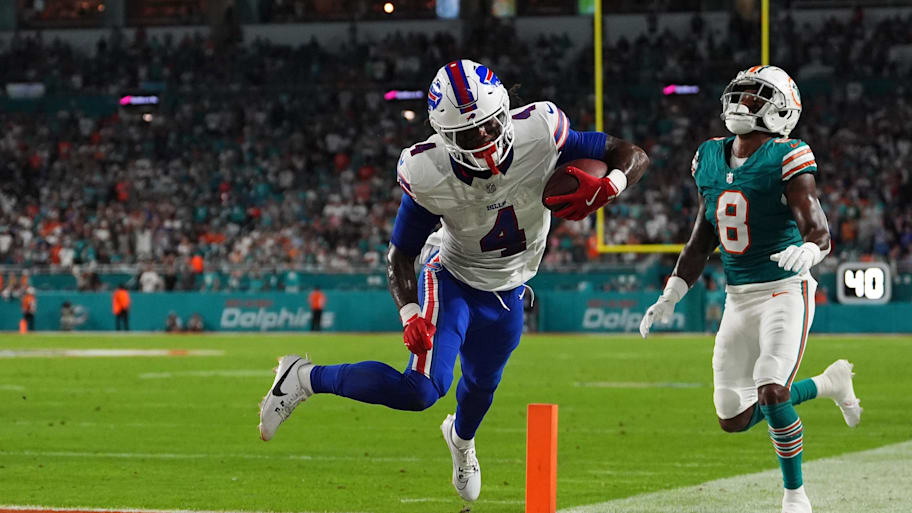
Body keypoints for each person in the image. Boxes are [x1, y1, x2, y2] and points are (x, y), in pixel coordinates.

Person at [257, 60, 649, 501]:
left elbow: (630, 153)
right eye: (468, 134)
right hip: (453, 278)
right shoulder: (430, 172)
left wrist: (613, 184)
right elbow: (400, 254)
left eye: (489, 125)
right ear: (445, 137)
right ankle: (305, 377)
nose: (483, 139)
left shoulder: (540, 131)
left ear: (504, 112)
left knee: (482, 387)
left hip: (510, 289)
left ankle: (461, 443)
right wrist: (408, 313)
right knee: (421, 389)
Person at [639, 65, 862, 513]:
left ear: (782, 110)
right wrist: (672, 292)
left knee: (772, 390)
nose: (742, 102)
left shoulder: (788, 154)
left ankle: (795, 494)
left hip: (785, 290)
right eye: (739, 92)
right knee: (733, 417)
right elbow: (703, 237)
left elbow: (817, 228)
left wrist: (813, 251)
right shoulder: (709, 156)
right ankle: (829, 383)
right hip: (738, 298)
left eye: (756, 95)